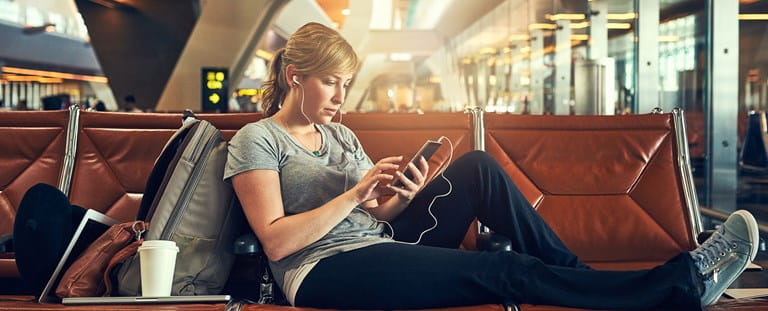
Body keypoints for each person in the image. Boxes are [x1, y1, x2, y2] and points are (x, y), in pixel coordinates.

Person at [225, 22, 759, 310]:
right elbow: (275, 242)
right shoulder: (259, 139)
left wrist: (406, 192)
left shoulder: (336, 132)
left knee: (477, 166)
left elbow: (380, 211)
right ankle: (679, 286)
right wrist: (351, 195)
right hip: (322, 271)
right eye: (330, 82)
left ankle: (584, 281)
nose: (341, 95)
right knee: (505, 271)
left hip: (379, 240)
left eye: (346, 83)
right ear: (295, 76)